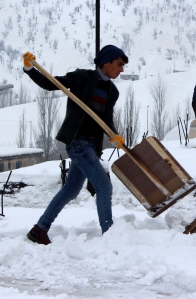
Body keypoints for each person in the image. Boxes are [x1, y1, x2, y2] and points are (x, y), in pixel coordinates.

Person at [22, 45, 128, 245]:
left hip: (91, 146)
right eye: (119, 65)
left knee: (71, 190)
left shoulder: (112, 91)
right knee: (104, 186)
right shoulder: (82, 78)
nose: (121, 70)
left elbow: (106, 120)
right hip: (78, 142)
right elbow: (51, 83)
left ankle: (39, 229)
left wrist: (114, 135)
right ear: (106, 63)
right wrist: (30, 69)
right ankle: (109, 236)